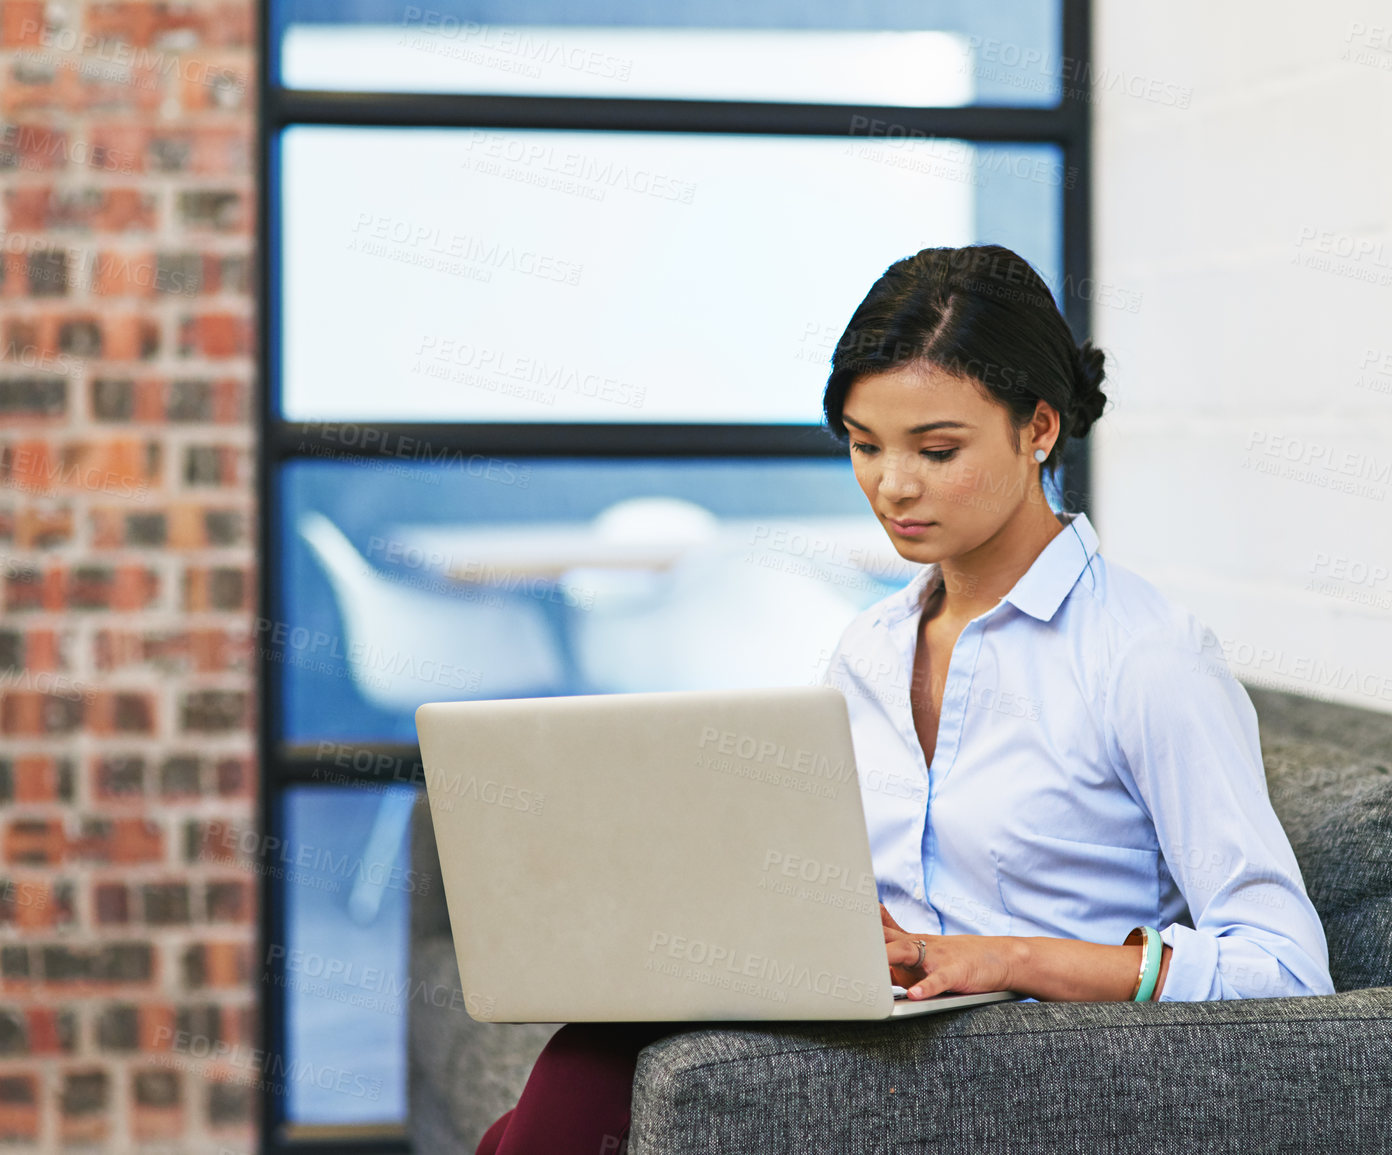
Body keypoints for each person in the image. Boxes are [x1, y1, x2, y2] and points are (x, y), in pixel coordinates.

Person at [472, 244, 1334, 1154]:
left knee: (580, 1083)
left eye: (936, 449)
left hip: (1036, 1058)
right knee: (567, 1087)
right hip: (884, 1031)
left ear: (1037, 427)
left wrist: (1005, 952)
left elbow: (1281, 968)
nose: (892, 485)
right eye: (863, 443)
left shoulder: (1146, 658)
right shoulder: (870, 649)